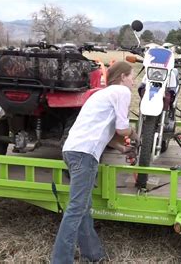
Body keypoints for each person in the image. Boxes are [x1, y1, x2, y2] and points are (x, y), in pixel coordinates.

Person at [52, 61, 138, 263]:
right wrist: (135, 135)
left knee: (83, 206)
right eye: (132, 76)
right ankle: (60, 260)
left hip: (72, 150)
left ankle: (93, 254)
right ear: (123, 76)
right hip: (85, 154)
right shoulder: (122, 92)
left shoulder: (101, 94)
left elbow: (101, 129)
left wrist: (121, 148)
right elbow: (122, 128)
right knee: (76, 209)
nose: (134, 81)